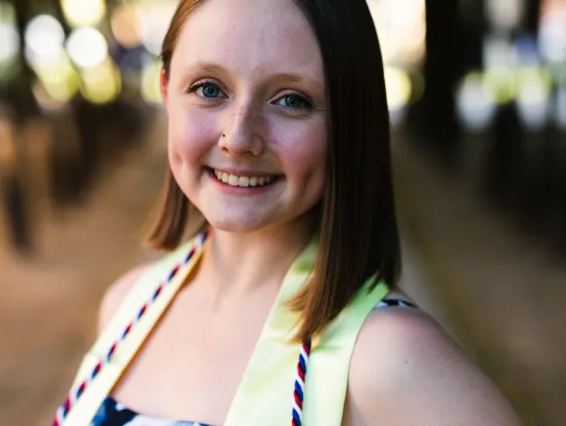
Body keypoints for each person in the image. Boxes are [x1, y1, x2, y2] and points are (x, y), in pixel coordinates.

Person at [52, 0, 522, 424]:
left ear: (348, 121)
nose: (238, 138)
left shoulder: (389, 359)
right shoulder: (127, 304)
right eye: (209, 88)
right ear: (166, 90)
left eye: (291, 100)